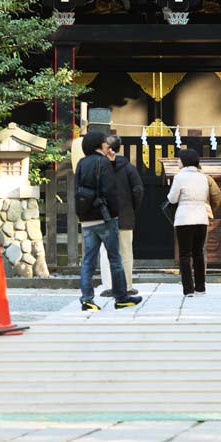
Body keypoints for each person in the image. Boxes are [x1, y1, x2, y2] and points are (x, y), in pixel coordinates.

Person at [74, 130, 142, 311]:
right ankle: (121, 297)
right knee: (115, 258)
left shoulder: (81, 163)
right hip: (105, 217)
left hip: (87, 219)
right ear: (99, 145)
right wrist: (115, 213)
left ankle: (87, 298)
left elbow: (77, 189)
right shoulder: (102, 162)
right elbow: (111, 191)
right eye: (104, 143)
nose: (107, 146)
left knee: (88, 260)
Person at [99, 134, 144, 297]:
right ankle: (126, 286)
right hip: (125, 215)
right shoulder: (129, 168)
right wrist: (131, 207)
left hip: (105, 216)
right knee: (126, 251)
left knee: (106, 251)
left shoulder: (100, 167)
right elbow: (138, 190)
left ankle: (110, 285)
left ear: (108, 149)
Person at [167, 148, 210, 297]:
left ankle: (188, 289)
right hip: (201, 217)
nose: (178, 161)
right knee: (198, 253)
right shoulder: (203, 177)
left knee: (185, 255)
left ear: (184, 161)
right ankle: (200, 287)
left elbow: (172, 199)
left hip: (185, 218)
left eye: (179, 159)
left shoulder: (180, 177)